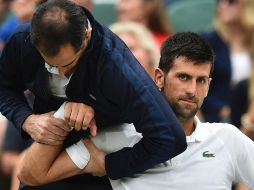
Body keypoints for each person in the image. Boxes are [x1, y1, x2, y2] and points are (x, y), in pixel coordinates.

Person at [18, 32, 254, 189]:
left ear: (209, 86)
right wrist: (64, 114)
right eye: (183, 77)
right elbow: (32, 175)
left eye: (201, 80)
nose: (192, 90)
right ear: (159, 78)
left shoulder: (227, 138)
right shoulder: (116, 135)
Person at [0, 0, 187, 189]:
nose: (60, 73)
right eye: (50, 65)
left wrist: (109, 164)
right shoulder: (22, 39)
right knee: (27, 177)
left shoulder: (116, 65)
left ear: (87, 36)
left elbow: (170, 137)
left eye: (68, 65)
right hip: (50, 141)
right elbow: (3, 87)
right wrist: (26, 119)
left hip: (101, 156)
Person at [201, 0, 254, 123]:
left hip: (249, 111)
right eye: (220, 1)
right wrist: (219, 108)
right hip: (219, 117)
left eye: (231, 1)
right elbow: (197, 82)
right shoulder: (208, 41)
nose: (222, 5)